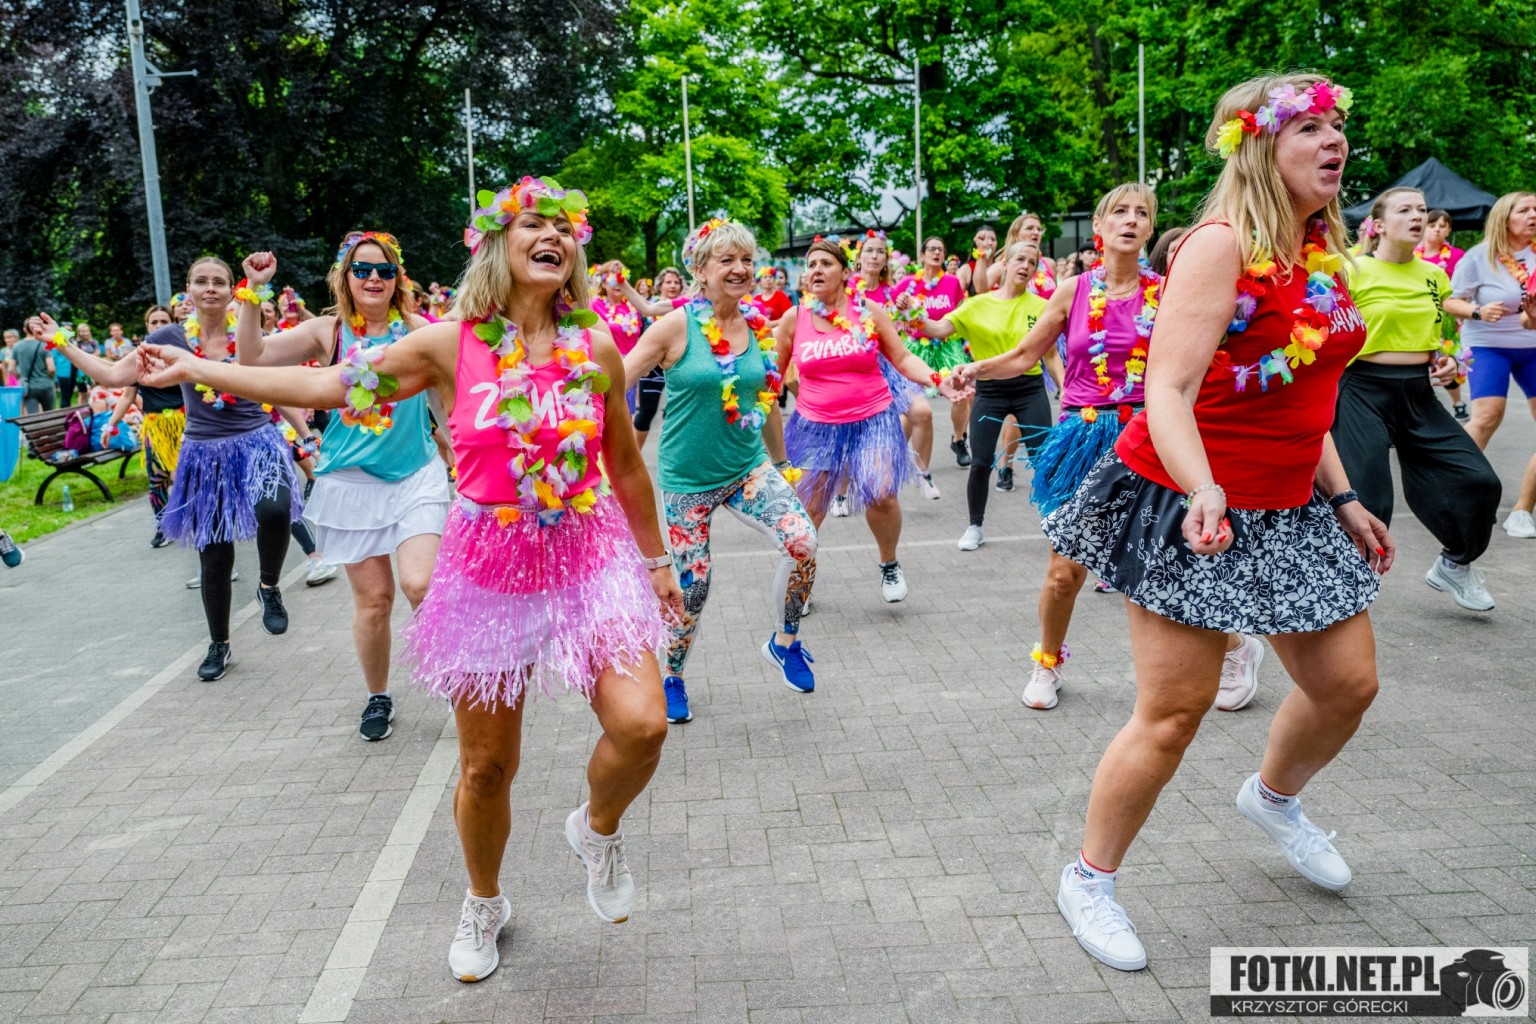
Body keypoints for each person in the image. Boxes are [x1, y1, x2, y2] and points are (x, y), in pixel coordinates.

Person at [138, 175, 680, 982]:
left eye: (563, 228)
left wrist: (657, 562)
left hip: (586, 560)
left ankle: (596, 830)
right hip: (489, 572)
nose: (552, 236)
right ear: (496, 245)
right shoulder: (448, 344)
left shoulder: (595, 346)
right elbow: (327, 386)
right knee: (487, 767)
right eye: (532, 224)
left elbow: (627, 467)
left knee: (643, 726)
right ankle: (485, 901)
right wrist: (203, 367)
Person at [1038, 74, 1391, 972]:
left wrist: (1344, 498)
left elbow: (1304, 394)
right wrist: (1203, 488)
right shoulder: (1220, 245)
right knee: (1174, 711)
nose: (1333, 140)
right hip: (1185, 496)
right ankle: (1089, 879)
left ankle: (1272, 799)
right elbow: (1167, 389)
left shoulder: (1319, 252)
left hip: (1291, 504)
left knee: (1347, 685)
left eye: (1337, 126)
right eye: (1309, 127)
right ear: (1258, 146)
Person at [44, 257, 307, 680]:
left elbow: (275, 388)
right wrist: (61, 341)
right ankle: (219, 644)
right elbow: (111, 375)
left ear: (232, 290)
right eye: (201, 281)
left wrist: (306, 434)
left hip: (257, 441)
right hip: (205, 454)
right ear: (188, 289)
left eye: (219, 281)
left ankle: (269, 586)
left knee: (276, 510)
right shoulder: (167, 337)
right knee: (214, 555)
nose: (210, 288)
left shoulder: (247, 329)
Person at [231, 230, 448, 740]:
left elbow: (445, 399)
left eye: (385, 270)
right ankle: (378, 696)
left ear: (398, 279)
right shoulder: (328, 332)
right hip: (351, 484)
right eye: (362, 269)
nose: (374, 278)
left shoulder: (419, 331)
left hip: (416, 475)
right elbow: (251, 358)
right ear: (345, 277)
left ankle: (457, 680)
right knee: (375, 601)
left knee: (420, 585)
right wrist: (253, 291)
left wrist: (460, 450)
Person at [622, 218, 819, 723]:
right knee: (693, 589)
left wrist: (780, 463)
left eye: (746, 260)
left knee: (803, 543)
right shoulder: (675, 326)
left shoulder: (757, 326)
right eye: (726, 260)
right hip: (687, 482)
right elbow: (616, 379)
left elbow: (765, 401)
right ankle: (672, 675)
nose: (739, 269)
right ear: (701, 269)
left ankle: (784, 642)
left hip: (748, 469)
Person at [1334, 186, 1502, 611]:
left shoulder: (1434, 275)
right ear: (1377, 225)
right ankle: (1347, 595)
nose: (1417, 216)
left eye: (1421, 210)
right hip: (1360, 389)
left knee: (1479, 482)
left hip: (1417, 390)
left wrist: (1446, 360)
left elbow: (1442, 335)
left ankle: (1455, 564)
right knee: (1370, 499)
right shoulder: (1350, 269)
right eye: (1405, 209)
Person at [778, 238, 940, 604]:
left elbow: (903, 358)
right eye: (811, 264)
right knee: (810, 510)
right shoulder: (794, 318)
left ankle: (889, 563)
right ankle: (800, 584)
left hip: (872, 418)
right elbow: (774, 374)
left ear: (845, 272)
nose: (816, 270)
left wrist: (939, 378)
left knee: (881, 494)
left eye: (826, 264)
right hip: (815, 425)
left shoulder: (869, 312)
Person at [907, 241, 1058, 536]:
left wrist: (1065, 390)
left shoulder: (1042, 306)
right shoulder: (977, 304)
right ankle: (974, 526)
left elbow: (1051, 355)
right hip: (990, 392)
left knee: (1044, 460)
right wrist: (912, 314)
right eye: (1020, 260)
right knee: (980, 462)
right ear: (1005, 264)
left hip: (1030, 389)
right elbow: (937, 328)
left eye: (1032, 263)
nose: (1026, 266)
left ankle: (1056, 525)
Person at [1444, 192, 1536, 537]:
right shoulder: (1478, 257)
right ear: (1504, 217)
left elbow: (1530, 320)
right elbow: (1451, 301)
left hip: (1532, 343)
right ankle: (1450, 490)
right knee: (1487, 416)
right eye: (1524, 210)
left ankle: (1522, 511)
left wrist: (1531, 318)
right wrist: (1478, 311)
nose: (1533, 215)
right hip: (1488, 344)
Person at [850, 230, 941, 501]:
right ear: (858, 258)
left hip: (892, 367)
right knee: (852, 432)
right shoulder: (846, 291)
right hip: (857, 370)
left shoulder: (893, 293)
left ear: (886, 260)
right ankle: (843, 492)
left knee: (923, 412)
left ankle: (922, 473)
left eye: (880, 251)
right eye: (869, 250)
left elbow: (911, 327)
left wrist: (906, 309)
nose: (875, 256)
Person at [895, 236, 971, 466]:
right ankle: (898, 451)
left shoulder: (952, 282)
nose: (936, 253)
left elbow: (961, 313)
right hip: (917, 347)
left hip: (947, 346)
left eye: (940, 249)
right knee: (908, 398)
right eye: (931, 249)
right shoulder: (907, 285)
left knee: (962, 391)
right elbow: (894, 316)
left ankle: (958, 439)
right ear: (922, 255)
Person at [618, 266, 688, 448]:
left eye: (676, 282)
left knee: (677, 414)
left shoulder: (688, 305)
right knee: (646, 413)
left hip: (679, 368)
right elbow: (646, 311)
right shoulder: (655, 305)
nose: (672, 286)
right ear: (660, 286)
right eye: (668, 282)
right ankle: (634, 456)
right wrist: (621, 282)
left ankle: (674, 453)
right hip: (653, 371)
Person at [1417, 211, 1469, 419]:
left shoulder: (1457, 256)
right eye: (1432, 225)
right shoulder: (1412, 254)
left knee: (1445, 358)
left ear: (1449, 230)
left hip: (1446, 318)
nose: (1437, 229)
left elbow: (1465, 288)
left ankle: (1457, 403)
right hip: (1418, 315)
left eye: (1442, 225)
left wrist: (1461, 311)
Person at [14, 318, 56, 414]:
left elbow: (11, 368)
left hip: (29, 387)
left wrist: (21, 377)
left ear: (25, 329)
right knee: (50, 414)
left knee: (32, 416)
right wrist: (51, 378)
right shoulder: (45, 345)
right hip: (46, 384)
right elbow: (51, 369)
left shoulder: (17, 346)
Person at [957, 224, 998, 296]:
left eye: (993, 239)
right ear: (976, 243)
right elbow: (955, 297)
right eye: (983, 239)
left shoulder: (1002, 267)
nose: (989, 243)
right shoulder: (966, 269)